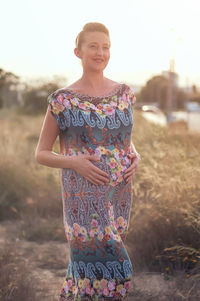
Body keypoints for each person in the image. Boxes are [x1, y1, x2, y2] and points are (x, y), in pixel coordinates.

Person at [35, 22, 141, 301]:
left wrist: (136, 154)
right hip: (82, 199)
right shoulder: (62, 101)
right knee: (117, 272)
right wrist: (75, 163)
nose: (100, 52)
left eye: (105, 47)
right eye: (93, 46)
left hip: (118, 194)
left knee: (88, 271)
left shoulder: (124, 94)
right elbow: (42, 153)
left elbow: (121, 137)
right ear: (78, 52)